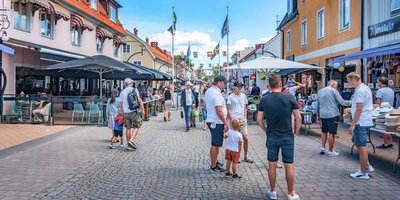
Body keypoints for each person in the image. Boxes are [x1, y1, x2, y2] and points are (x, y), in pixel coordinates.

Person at [257, 74, 301, 200]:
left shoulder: (264, 99)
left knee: (272, 164)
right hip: (288, 135)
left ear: (269, 85)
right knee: (289, 165)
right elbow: (298, 117)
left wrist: (266, 130)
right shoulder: (290, 97)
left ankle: (272, 192)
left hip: (272, 135)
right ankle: (291, 193)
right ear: (280, 84)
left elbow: (259, 119)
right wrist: (296, 133)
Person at [346, 72, 374, 180]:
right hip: (363, 121)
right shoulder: (363, 88)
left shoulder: (360, 91)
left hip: (361, 122)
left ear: (354, 79)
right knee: (356, 142)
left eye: (349, 81)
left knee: (361, 146)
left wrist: (352, 124)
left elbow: (359, 108)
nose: (348, 84)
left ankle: (363, 172)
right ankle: (367, 165)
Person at [316, 80, 351, 156]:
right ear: (332, 84)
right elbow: (342, 102)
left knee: (324, 131)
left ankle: (323, 147)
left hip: (323, 114)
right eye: (336, 85)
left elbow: (317, 104)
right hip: (332, 114)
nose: (336, 87)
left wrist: (317, 114)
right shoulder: (334, 91)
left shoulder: (320, 91)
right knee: (332, 133)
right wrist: (352, 102)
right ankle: (331, 151)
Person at [205, 75, 229, 173]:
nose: (224, 86)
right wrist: (226, 122)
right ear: (219, 83)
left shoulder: (209, 91)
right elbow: (219, 110)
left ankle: (215, 161)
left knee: (217, 143)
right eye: (224, 83)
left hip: (212, 120)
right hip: (216, 121)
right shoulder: (216, 93)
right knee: (215, 144)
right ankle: (213, 166)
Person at [227, 82, 253, 163]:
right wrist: (232, 119)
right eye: (238, 87)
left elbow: (245, 107)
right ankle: (236, 156)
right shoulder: (230, 97)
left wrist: (245, 117)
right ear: (234, 88)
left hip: (242, 119)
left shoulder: (244, 96)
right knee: (235, 139)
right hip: (234, 119)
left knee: (245, 137)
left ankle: (245, 156)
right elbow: (229, 109)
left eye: (240, 87)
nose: (240, 89)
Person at [119, 78, 145, 151]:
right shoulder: (134, 90)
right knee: (138, 125)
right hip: (133, 111)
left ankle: (128, 145)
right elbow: (139, 100)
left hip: (126, 113)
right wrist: (143, 109)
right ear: (130, 83)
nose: (133, 83)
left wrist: (122, 112)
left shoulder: (122, 92)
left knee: (128, 128)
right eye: (132, 82)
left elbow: (121, 104)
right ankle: (131, 140)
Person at [375, 77, 395, 149]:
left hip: (383, 111)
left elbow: (378, 102)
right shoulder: (391, 90)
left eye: (378, 82)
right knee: (388, 127)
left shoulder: (380, 91)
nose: (377, 83)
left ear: (381, 82)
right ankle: (391, 143)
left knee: (383, 128)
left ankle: (386, 144)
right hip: (391, 110)